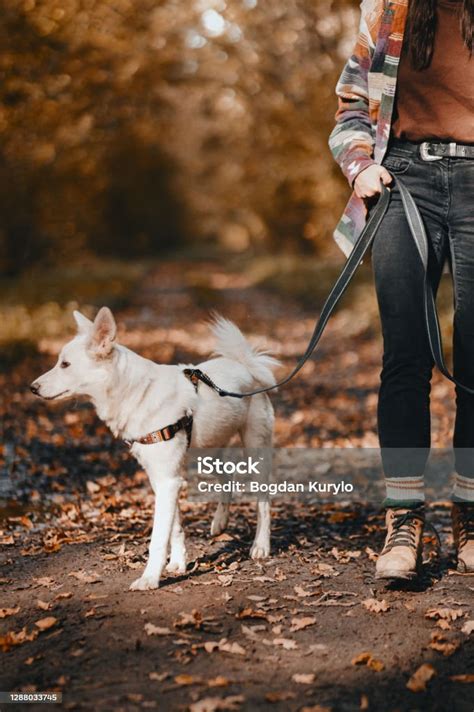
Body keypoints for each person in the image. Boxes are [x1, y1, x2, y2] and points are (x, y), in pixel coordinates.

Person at [329, 0, 474, 579]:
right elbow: (351, 104)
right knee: (406, 357)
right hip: (401, 180)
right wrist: (360, 164)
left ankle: (469, 513)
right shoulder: (388, 10)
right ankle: (404, 518)